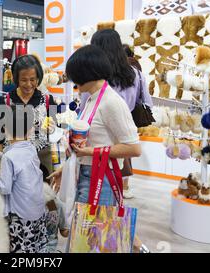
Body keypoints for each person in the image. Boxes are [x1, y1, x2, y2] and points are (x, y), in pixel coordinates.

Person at [48, 44, 141, 208]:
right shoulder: (91, 98)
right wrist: (66, 170)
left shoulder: (111, 102)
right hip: (86, 174)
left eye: (76, 76)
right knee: (83, 231)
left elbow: (134, 148)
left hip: (102, 179)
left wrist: (90, 152)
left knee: (93, 231)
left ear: (88, 73)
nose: (74, 82)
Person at [91, 29, 153, 199]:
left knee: (97, 185)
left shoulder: (94, 77)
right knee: (115, 177)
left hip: (99, 136)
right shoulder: (136, 74)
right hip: (125, 133)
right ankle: (120, 196)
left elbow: (85, 108)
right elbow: (148, 102)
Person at [0, 54, 59, 178]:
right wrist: (1, 164)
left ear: (39, 78)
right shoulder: (6, 102)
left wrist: (54, 127)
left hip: (42, 162)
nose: (28, 84)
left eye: (33, 79)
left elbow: (58, 131)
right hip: (13, 163)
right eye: (24, 80)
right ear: (16, 78)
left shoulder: (48, 100)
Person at [0, 105, 47, 253]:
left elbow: (4, 187)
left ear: (5, 129)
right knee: (37, 248)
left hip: (20, 217)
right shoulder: (31, 149)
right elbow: (23, 167)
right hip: (38, 211)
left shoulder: (8, 158)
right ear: (30, 130)